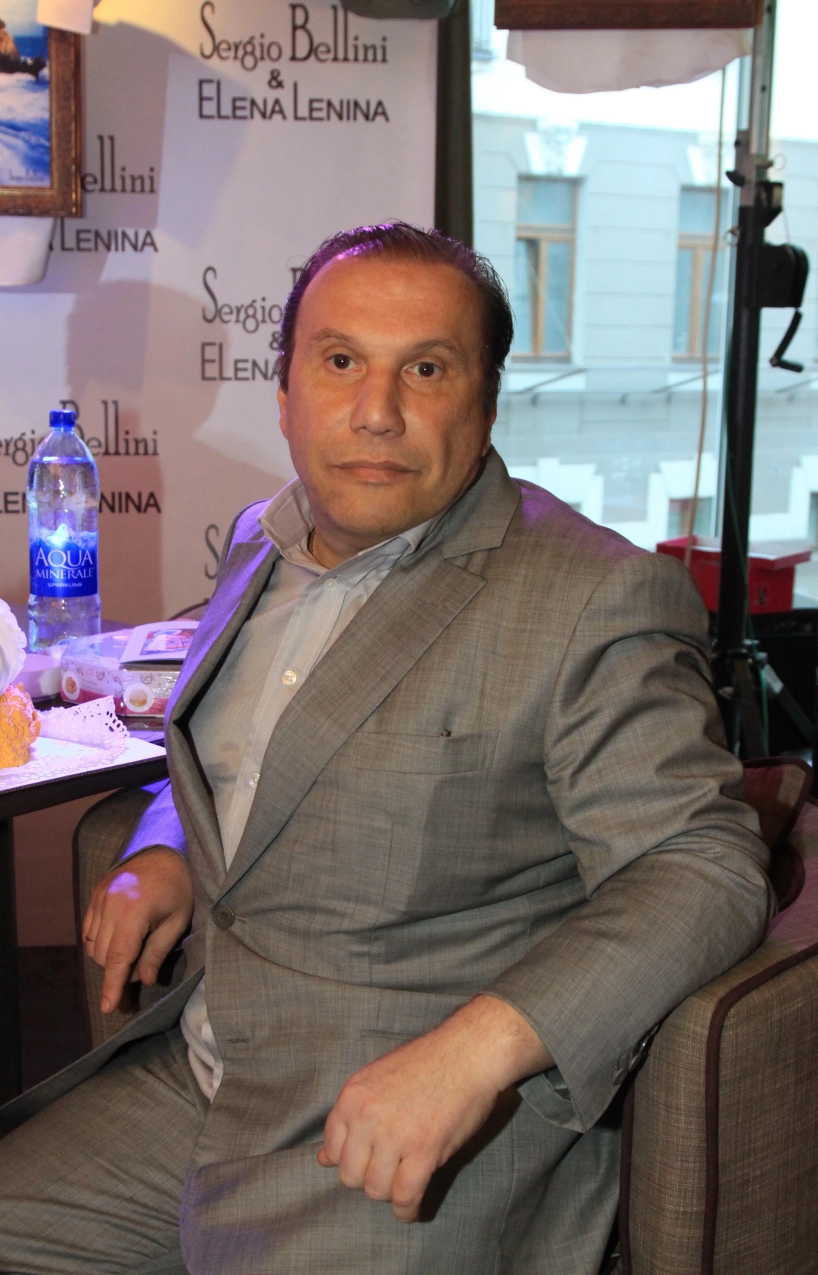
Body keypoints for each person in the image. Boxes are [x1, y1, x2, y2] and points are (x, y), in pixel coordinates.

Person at [0, 223, 772, 1275]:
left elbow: (702, 864)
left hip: (402, 1135)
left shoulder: (593, 595)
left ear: (485, 403)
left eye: (426, 369)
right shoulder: (262, 538)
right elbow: (244, 745)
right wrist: (167, 843)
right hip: (202, 1079)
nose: (376, 409)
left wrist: (474, 1050)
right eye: (339, 361)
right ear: (285, 394)